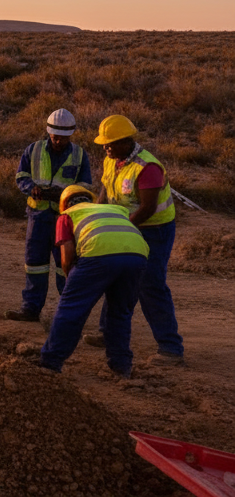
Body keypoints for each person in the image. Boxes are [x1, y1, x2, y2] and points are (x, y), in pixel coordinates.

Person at [89, 115, 184, 365]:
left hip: (154, 231)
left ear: (126, 141)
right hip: (126, 226)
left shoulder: (147, 167)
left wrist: (120, 228)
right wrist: (98, 216)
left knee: (150, 285)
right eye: (104, 144)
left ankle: (171, 348)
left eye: (111, 143)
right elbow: (105, 189)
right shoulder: (113, 160)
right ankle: (109, 333)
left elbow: (148, 208)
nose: (105, 148)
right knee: (117, 276)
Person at [39, 185, 149, 378]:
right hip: (137, 255)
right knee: (120, 313)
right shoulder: (114, 209)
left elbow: (67, 256)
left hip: (97, 254)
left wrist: (70, 281)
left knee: (71, 311)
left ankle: (50, 363)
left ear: (64, 204)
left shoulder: (67, 215)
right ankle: (121, 367)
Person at [6, 109, 93, 321]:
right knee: (35, 264)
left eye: (63, 138)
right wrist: (31, 188)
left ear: (70, 135)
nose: (58, 141)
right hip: (38, 216)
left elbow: (85, 186)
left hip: (65, 218)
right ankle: (30, 309)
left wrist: (65, 195)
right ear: (49, 132)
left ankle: (69, 312)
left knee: (66, 266)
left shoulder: (80, 155)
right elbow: (21, 175)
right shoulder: (33, 150)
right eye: (55, 137)